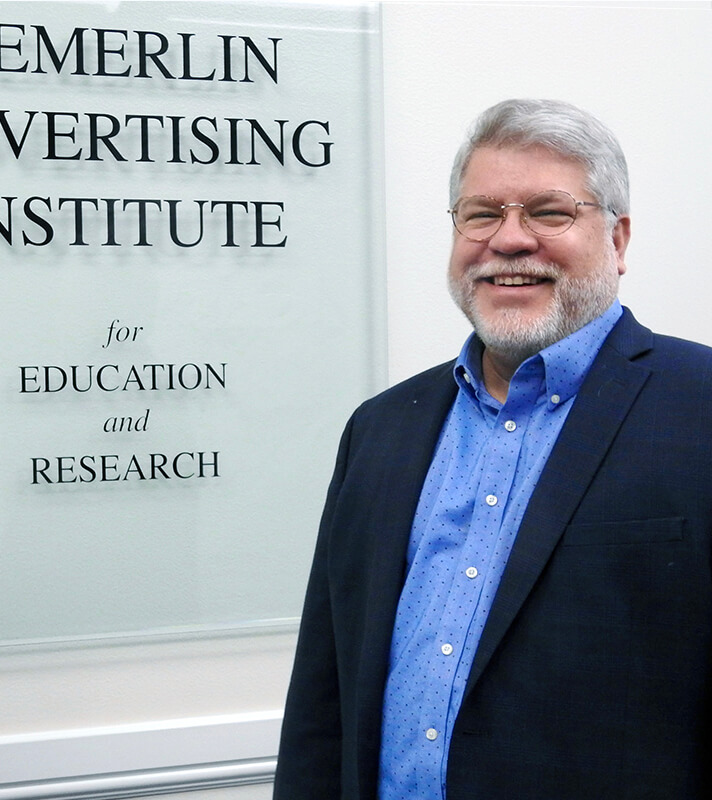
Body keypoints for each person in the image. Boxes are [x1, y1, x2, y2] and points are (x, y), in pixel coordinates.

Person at [274, 99, 712, 799]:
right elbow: (322, 701)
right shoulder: (380, 430)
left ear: (619, 239)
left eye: (549, 212)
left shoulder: (701, 410)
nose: (509, 240)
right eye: (481, 214)